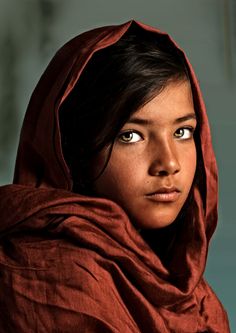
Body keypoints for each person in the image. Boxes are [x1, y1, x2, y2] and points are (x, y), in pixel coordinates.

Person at [0, 20, 230, 332]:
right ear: (76, 150)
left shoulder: (182, 286)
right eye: (131, 136)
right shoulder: (53, 279)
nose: (169, 162)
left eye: (182, 131)